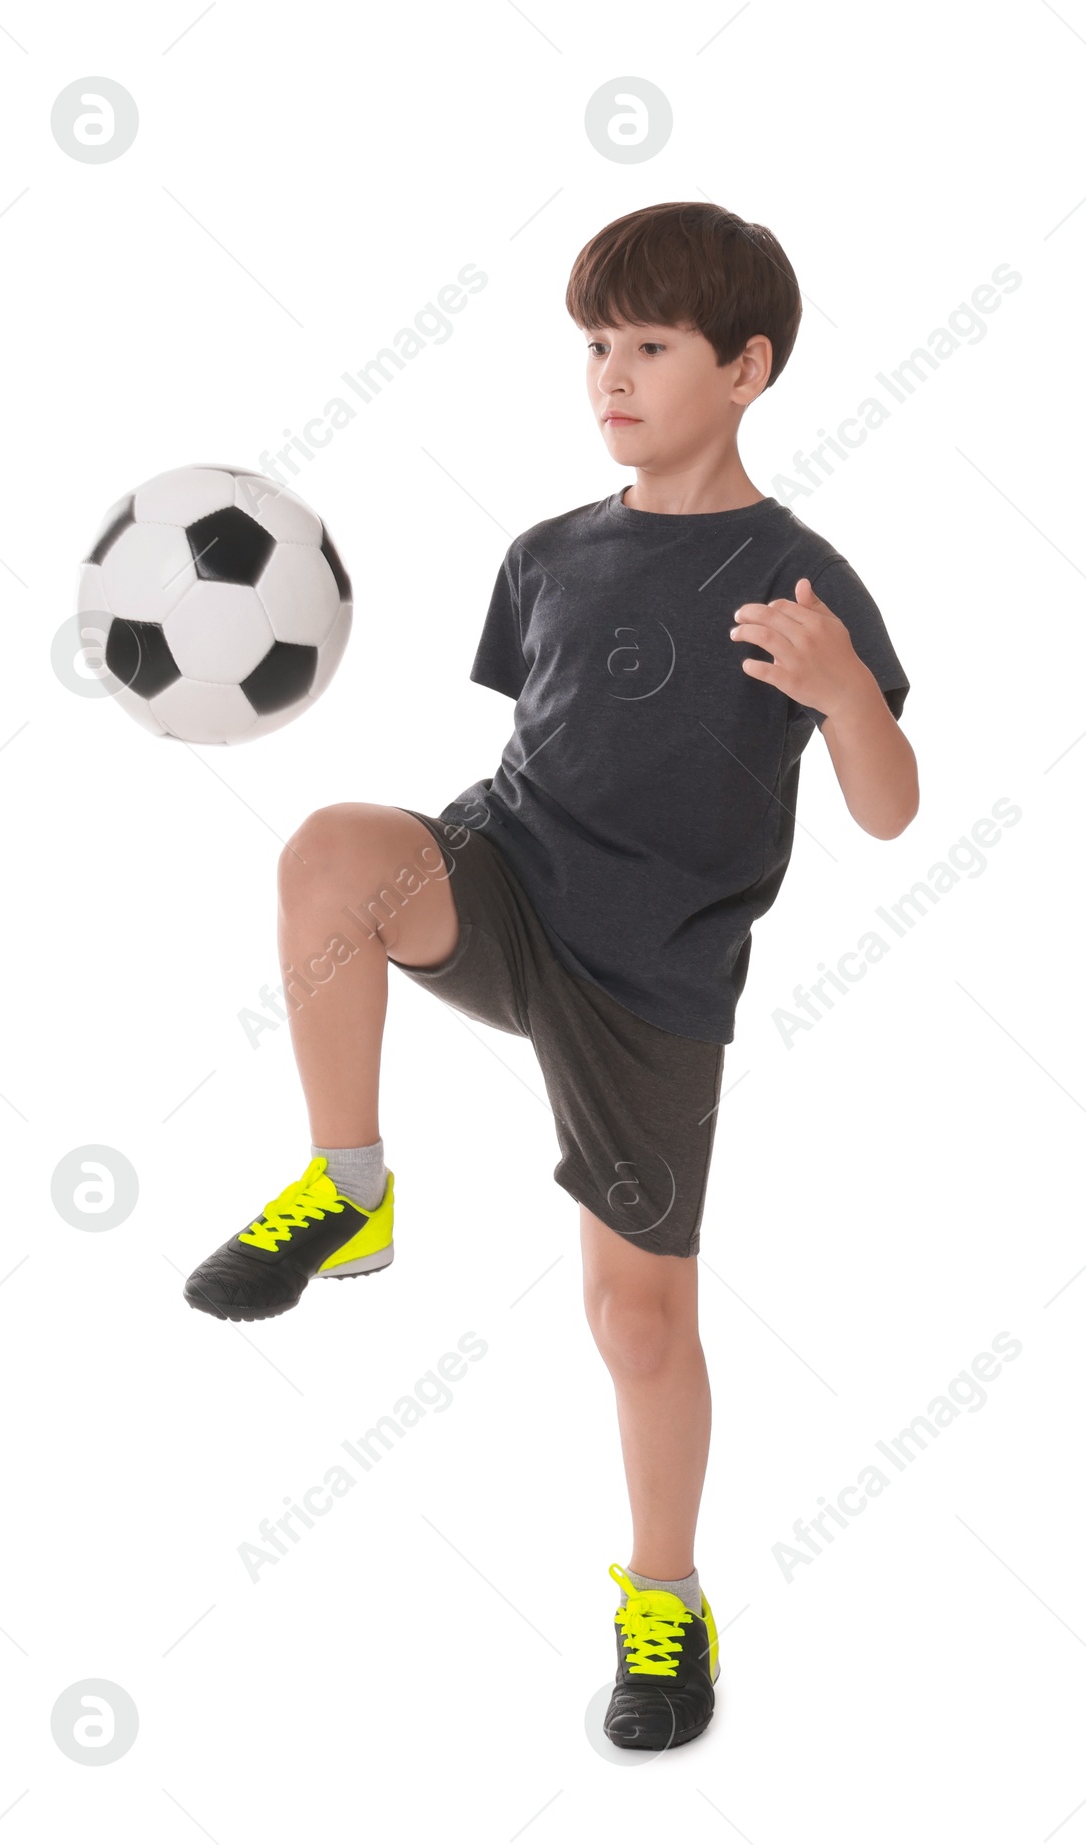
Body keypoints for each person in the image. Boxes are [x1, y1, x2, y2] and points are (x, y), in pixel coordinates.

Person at [184, 200, 917, 1750]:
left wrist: (848, 692)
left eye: (651, 344)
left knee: (636, 1321)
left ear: (748, 366)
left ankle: (667, 1603)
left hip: (650, 984)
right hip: (506, 885)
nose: (613, 372)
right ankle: (350, 1183)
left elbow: (890, 806)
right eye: (596, 344)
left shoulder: (799, 576)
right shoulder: (546, 556)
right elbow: (543, 744)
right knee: (330, 848)